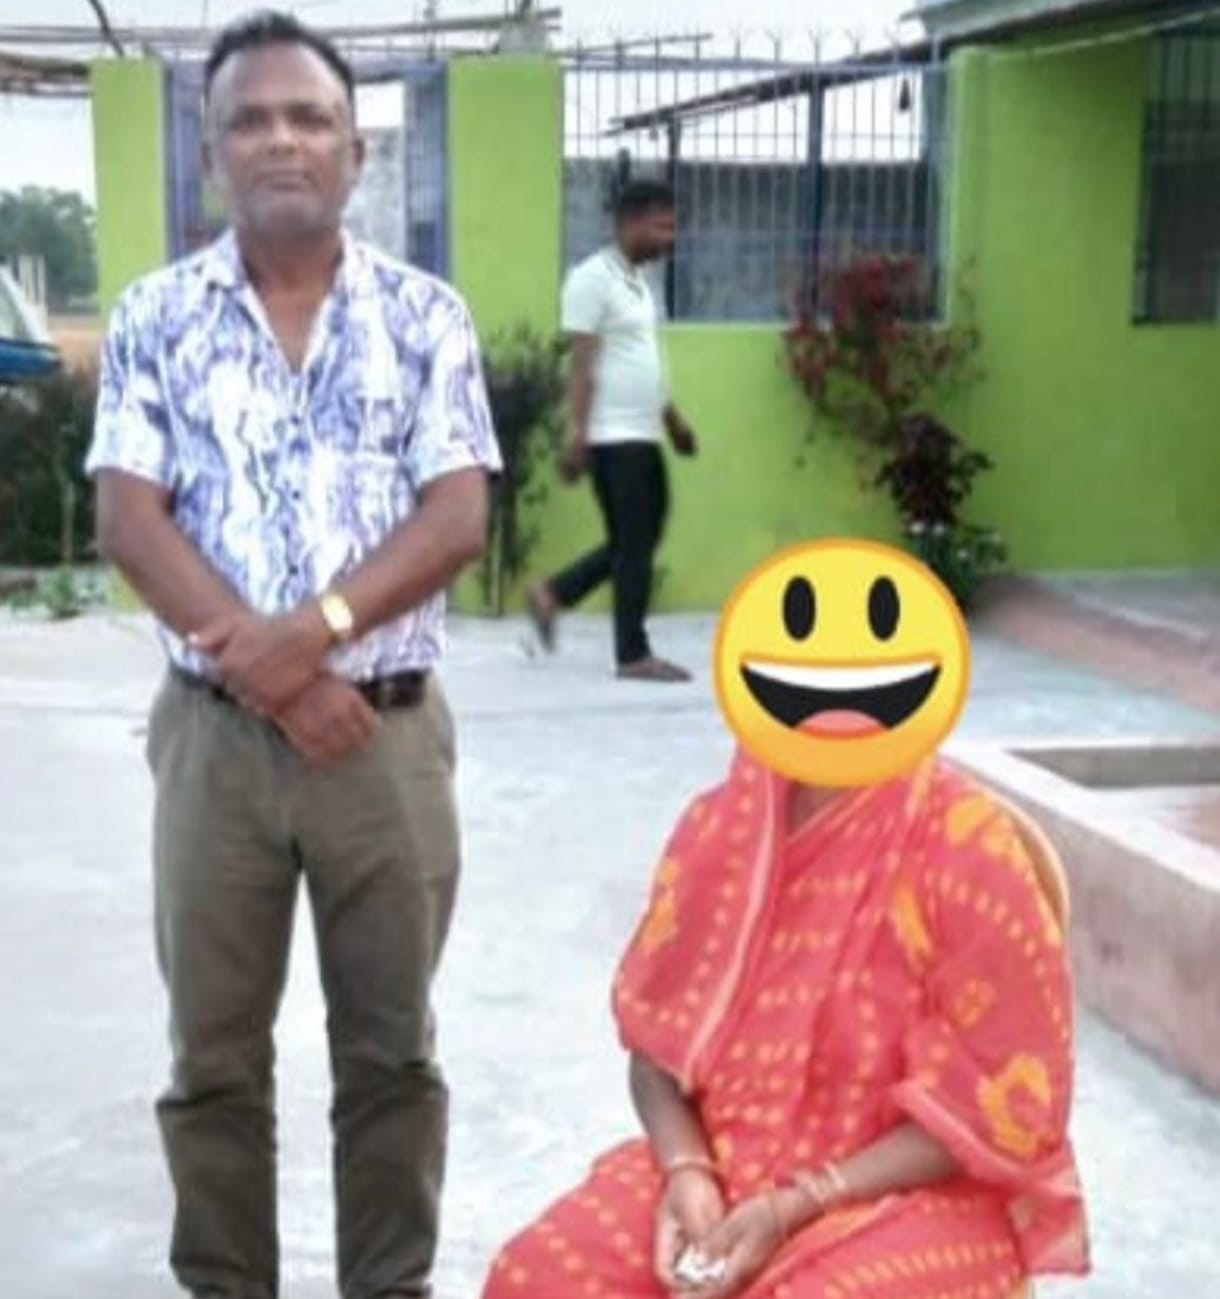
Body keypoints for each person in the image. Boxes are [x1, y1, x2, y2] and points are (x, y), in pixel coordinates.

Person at [85, 12, 500, 1299]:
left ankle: (389, 1286)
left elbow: (457, 515)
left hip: (382, 742)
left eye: (309, 118)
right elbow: (130, 519)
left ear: (353, 152)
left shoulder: (425, 318)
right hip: (214, 750)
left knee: (391, 1056)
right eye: (250, 120)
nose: (281, 140)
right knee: (212, 1059)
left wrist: (309, 638)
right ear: (213, 153)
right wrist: (268, 681)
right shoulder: (156, 317)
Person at [482, 749, 1090, 1299]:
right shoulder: (720, 828)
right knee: (538, 1275)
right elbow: (655, 1054)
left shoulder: (967, 842)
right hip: (725, 1157)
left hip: (908, 1192)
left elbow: (996, 1110)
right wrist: (687, 1173)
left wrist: (803, 1202)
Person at [525, 180, 698, 683]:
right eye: (662, 227)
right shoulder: (591, 279)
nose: (670, 238)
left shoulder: (638, 282)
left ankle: (553, 594)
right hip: (612, 436)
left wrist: (673, 420)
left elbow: (642, 360)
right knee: (635, 544)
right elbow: (582, 364)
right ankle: (632, 654)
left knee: (636, 540)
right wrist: (578, 434)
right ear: (630, 222)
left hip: (643, 432)